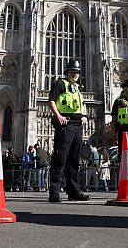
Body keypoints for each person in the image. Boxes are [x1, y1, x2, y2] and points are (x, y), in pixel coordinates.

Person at [47, 59, 90, 202]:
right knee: (60, 158)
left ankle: (74, 192)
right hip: (66, 124)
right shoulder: (60, 84)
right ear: (67, 73)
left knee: (74, 160)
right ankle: (54, 192)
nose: (75, 74)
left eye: (77, 72)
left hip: (78, 125)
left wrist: (84, 116)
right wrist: (58, 116)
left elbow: (81, 105)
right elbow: (52, 100)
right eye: (73, 72)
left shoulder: (77, 88)